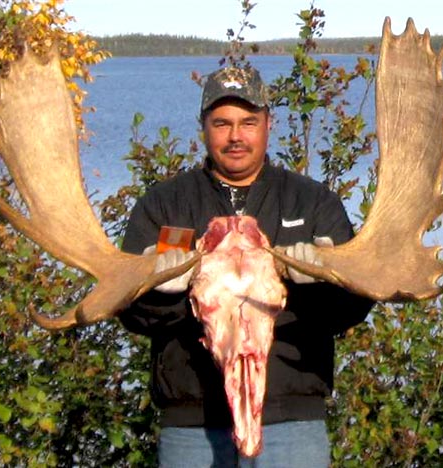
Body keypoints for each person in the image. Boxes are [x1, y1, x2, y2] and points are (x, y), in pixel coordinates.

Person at [119, 65, 374, 467]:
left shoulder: (312, 203)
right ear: (203, 127)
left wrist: (316, 283)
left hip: (291, 424)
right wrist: (168, 289)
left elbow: (354, 306)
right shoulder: (164, 204)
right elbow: (129, 311)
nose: (235, 136)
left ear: (268, 124)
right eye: (221, 123)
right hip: (193, 426)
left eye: (248, 122)